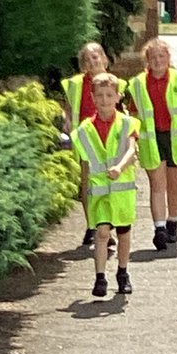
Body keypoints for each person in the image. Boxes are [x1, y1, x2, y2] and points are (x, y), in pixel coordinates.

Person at [71, 72, 139, 297]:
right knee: (101, 233)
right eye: (99, 95)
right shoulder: (85, 129)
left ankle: (123, 272)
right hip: (99, 191)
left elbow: (132, 149)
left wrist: (120, 167)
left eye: (109, 95)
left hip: (122, 190)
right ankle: (100, 278)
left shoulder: (127, 123)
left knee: (123, 234)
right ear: (92, 97)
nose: (104, 100)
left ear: (118, 97)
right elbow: (84, 161)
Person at [127, 38, 177, 250]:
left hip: (175, 138)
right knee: (157, 185)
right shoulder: (138, 83)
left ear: (168, 58)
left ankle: (172, 222)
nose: (157, 61)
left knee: (174, 185)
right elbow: (133, 112)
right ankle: (159, 229)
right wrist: (134, 136)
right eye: (153, 57)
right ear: (147, 60)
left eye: (161, 56)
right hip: (152, 138)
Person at [61, 42, 126, 247]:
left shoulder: (119, 84)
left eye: (95, 57)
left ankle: (108, 225)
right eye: (87, 59)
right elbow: (70, 110)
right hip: (87, 138)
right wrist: (69, 127)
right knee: (88, 183)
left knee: (110, 183)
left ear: (105, 59)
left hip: (111, 136)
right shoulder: (75, 84)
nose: (92, 62)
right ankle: (92, 225)